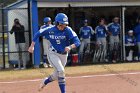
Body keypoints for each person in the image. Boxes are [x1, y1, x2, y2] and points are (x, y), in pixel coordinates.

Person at [28, 13, 80, 93]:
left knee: (56, 75)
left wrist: (70, 47)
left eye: (65, 24)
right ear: (56, 23)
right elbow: (37, 34)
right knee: (61, 71)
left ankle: (45, 82)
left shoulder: (68, 30)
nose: (63, 26)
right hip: (53, 53)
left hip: (64, 55)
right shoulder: (50, 29)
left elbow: (77, 42)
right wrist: (32, 46)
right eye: (61, 24)